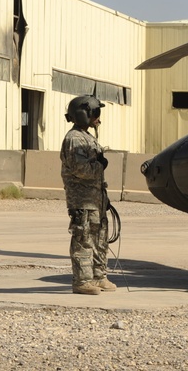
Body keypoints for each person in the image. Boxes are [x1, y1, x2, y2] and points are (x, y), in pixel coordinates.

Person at [60, 95, 116, 295]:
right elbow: (80, 169)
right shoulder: (74, 138)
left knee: (100, 238)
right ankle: (82, 281)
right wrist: (100, 165)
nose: (98, 117)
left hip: (95, 199)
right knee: (83, 239)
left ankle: (98, 276)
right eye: (95, 113)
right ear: (84, 115)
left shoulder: (87, 137)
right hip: (82, 199)